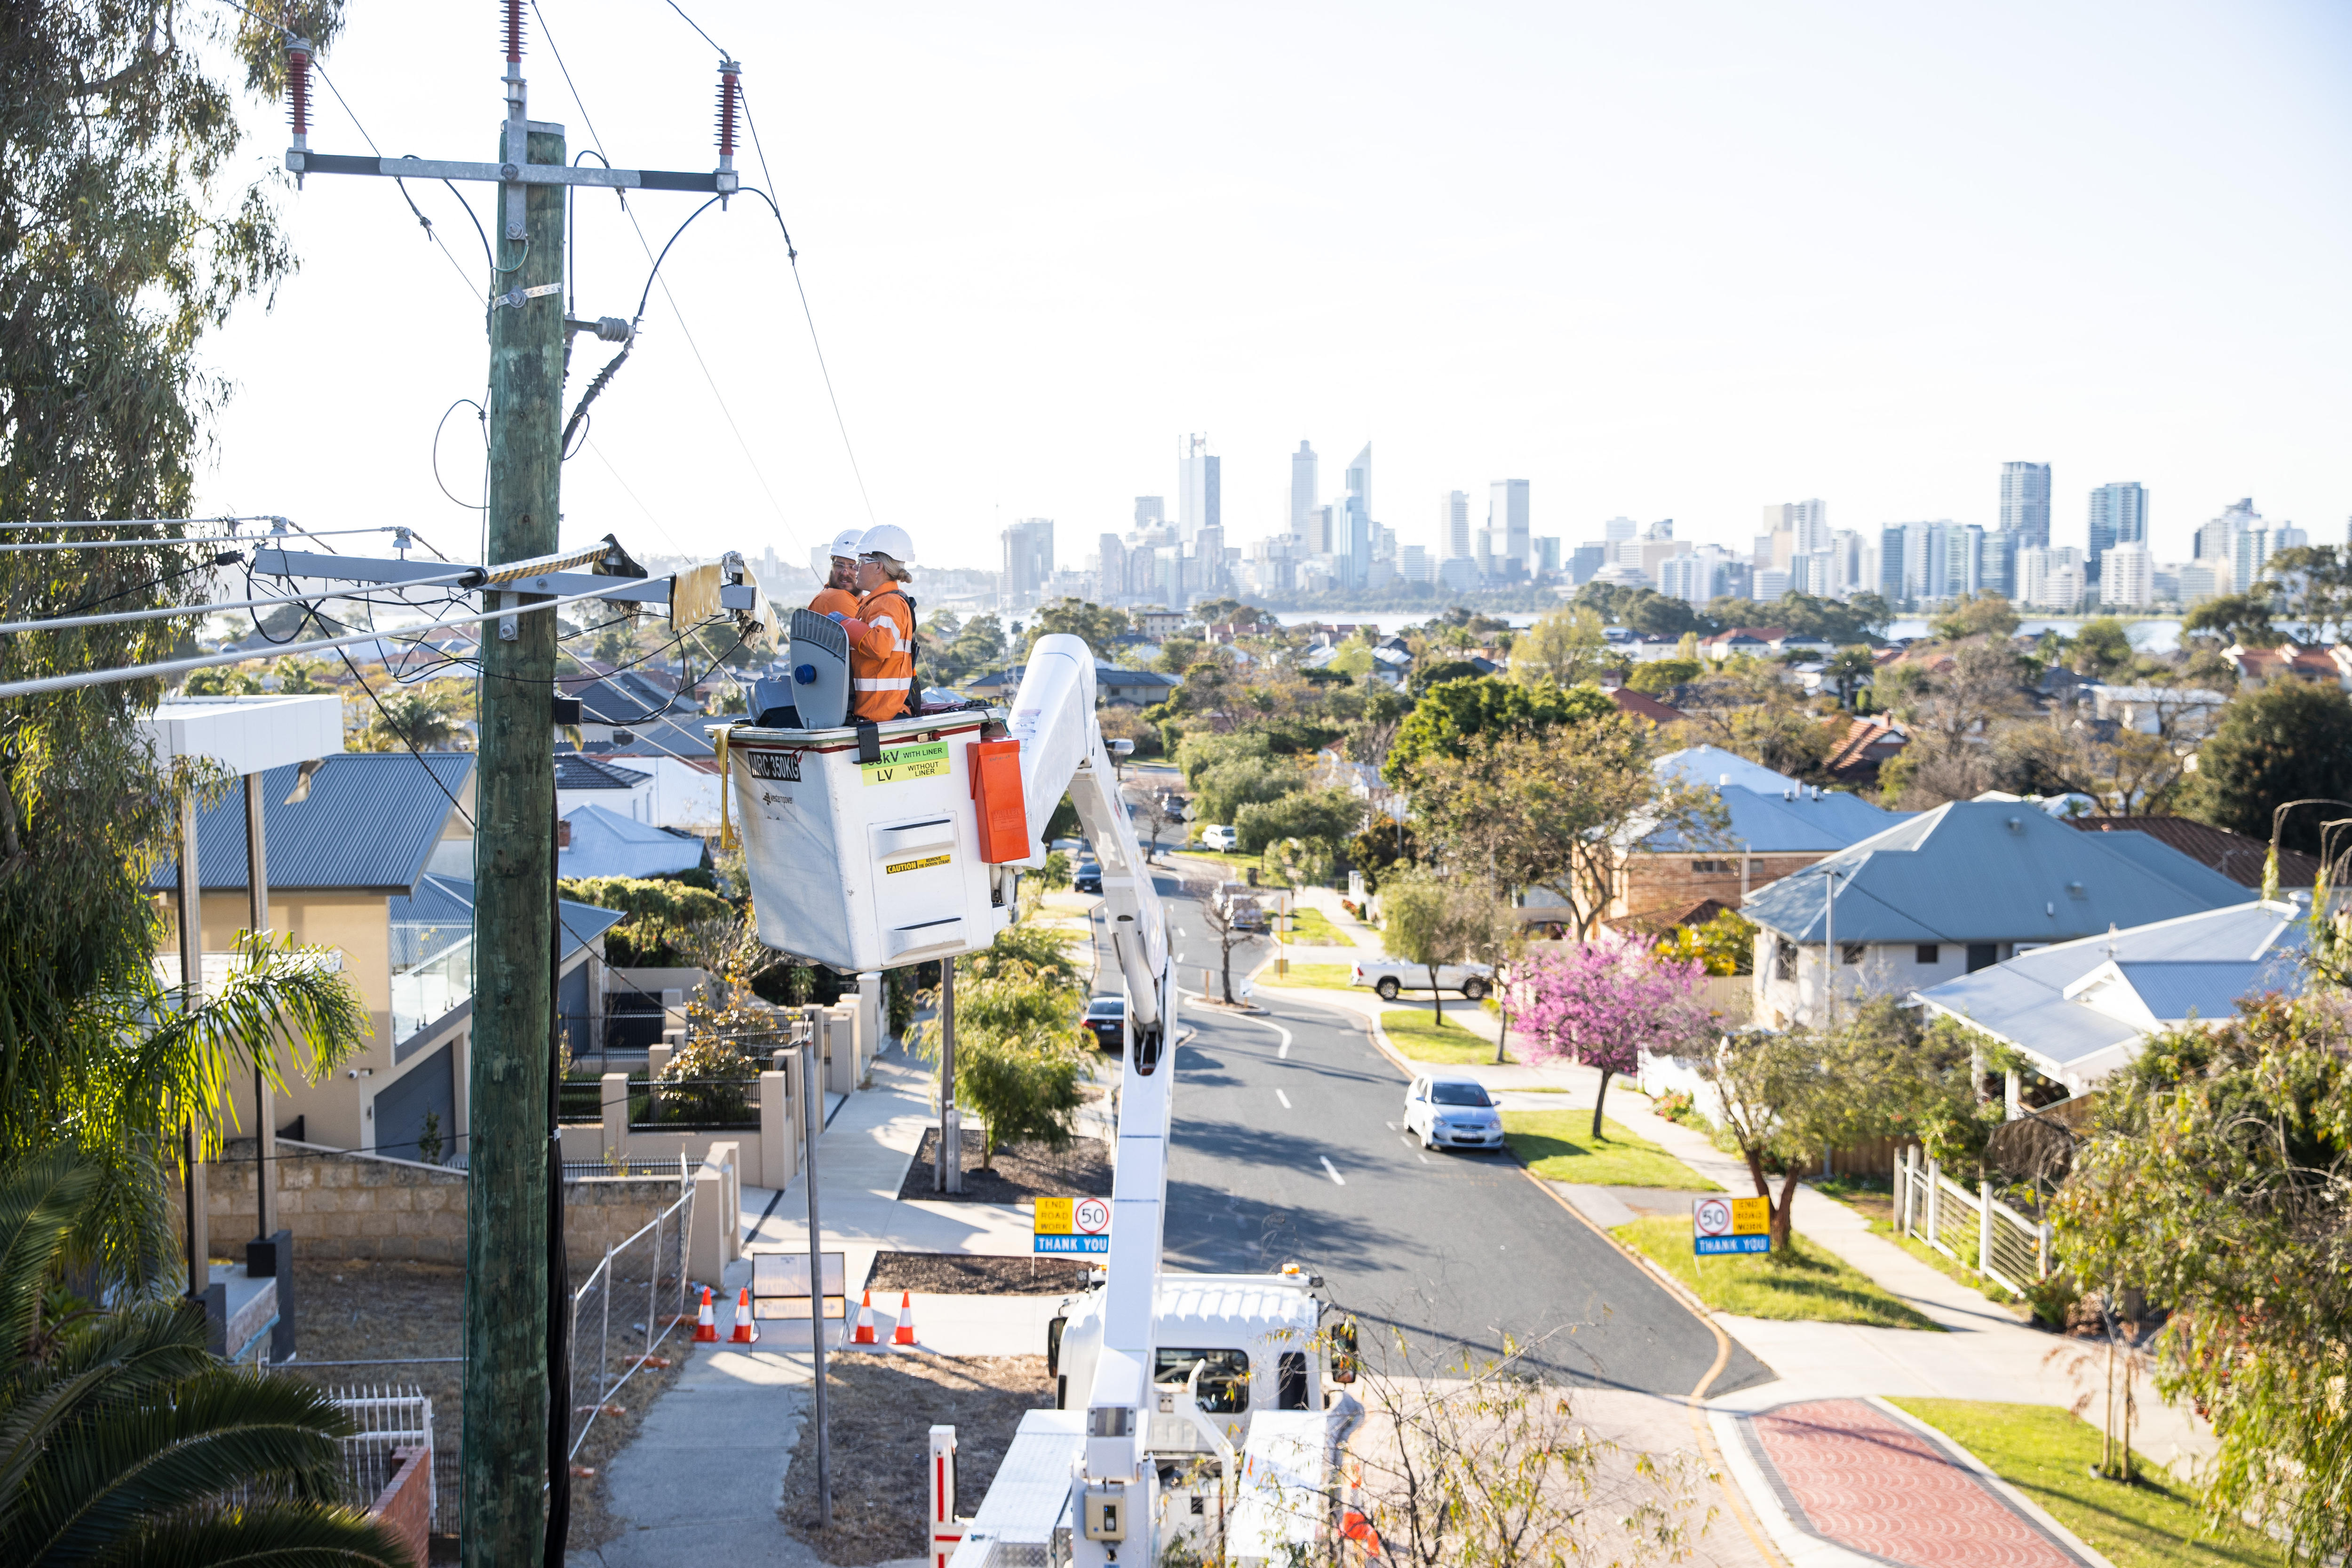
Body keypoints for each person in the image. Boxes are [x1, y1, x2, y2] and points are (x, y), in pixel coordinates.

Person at [828, 524, 919, 722]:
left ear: (879, 566)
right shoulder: (879, 602)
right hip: (877, 714)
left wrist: (844, 623)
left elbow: (879, 645)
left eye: (860, 561)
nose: (854, 568)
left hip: (881, 717)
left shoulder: (889, 602)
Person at [809, 526, 863, 617]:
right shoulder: (836, 598)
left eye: (852, 567)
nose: (845, 573)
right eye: (839, 566)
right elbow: (866, 632)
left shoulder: (862, 601)